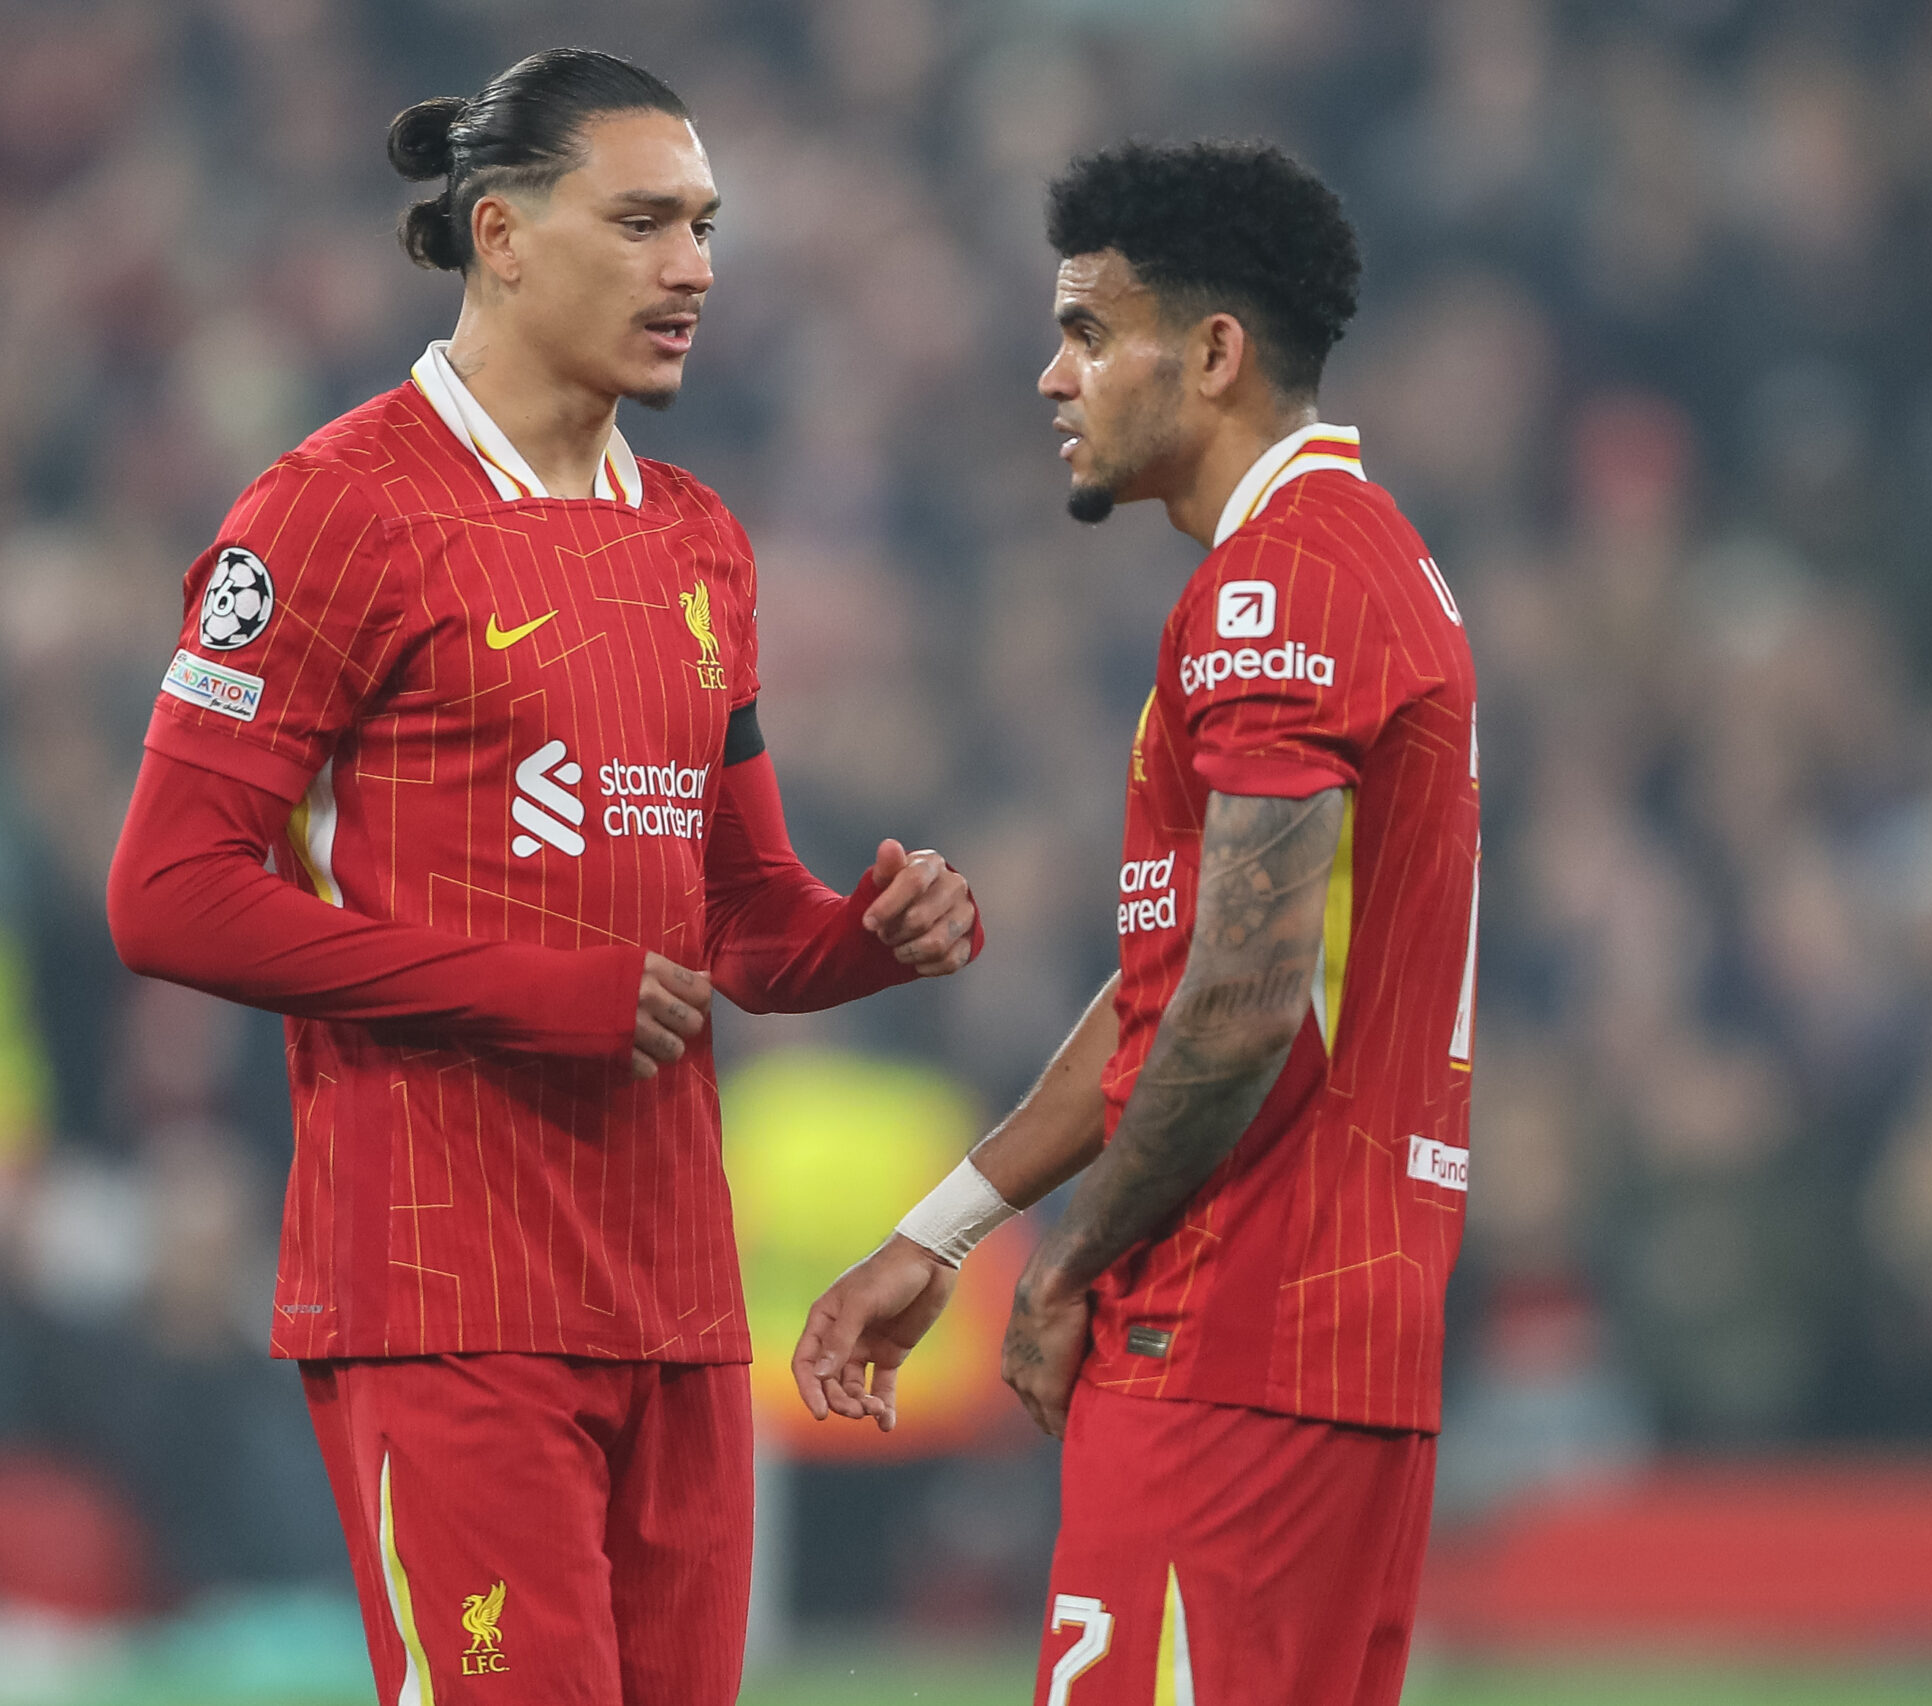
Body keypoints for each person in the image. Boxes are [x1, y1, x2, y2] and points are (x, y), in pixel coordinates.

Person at [106, 49, 981, 1706]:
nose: (695, 268)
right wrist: (524, 991)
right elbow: (165, 889)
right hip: (444, 1292)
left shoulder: (697, 538)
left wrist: (863, 939)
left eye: (706, 227)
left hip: (672, 1298)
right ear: (499, 236)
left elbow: (737, 913)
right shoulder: (333, 513)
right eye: (644, 221)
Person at [792, 140, 1477, 1706]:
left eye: (1092, 331)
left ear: (1216, 353)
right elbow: (1181, 980)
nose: (1054, 375)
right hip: (1335, 1348)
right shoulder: (1366, 565)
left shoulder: (1280, 584)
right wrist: (947, 1232)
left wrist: (1067, 1263)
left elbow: (1238, 1004)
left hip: (1233, 1336)